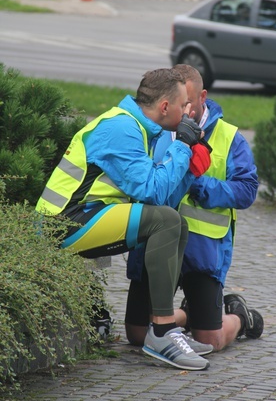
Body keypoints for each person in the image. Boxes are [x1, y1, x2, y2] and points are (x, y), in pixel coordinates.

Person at [35, 67, 213, 371]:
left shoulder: (140, 129)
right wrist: (182, 147)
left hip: (85, 216)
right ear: (165, 107)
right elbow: (152, 193)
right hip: (61, 225)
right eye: (184, 106)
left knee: (176, 222)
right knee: (167, 221)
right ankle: (161, 332)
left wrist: (190, 169)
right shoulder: (122, 128)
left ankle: (165, 327)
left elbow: (163, 199)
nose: (188, 113)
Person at [125, 64, 263, 352]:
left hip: (202, 250)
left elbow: (247, 190)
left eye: (189, 102)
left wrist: (198, 186)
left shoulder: (229, 136)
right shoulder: (156, 128)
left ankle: (239, 317)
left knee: (208, 342)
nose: (183, 110)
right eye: (179, 103)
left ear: (203, 96)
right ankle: (187, 315)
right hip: (155, 247)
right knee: (137, 335)